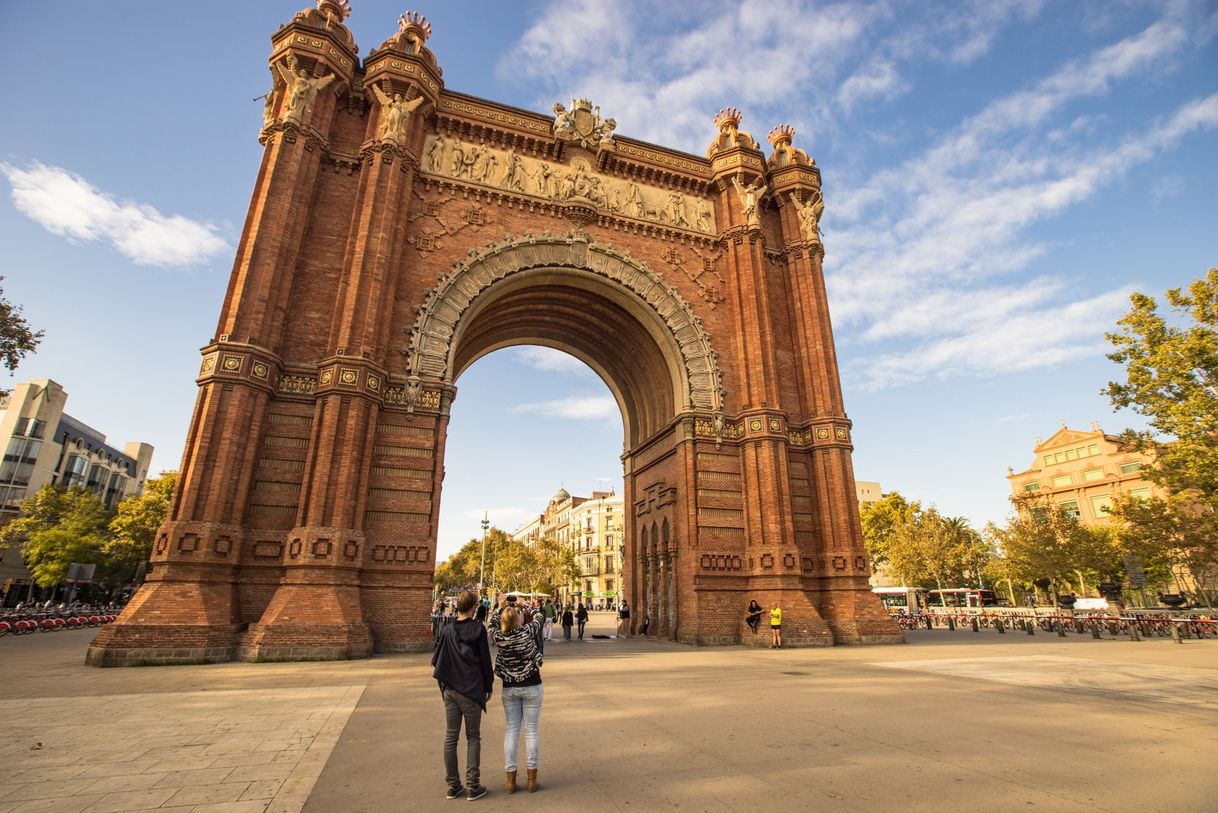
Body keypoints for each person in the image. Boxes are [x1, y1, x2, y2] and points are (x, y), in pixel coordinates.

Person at [431, 591, 493, 800]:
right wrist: (488, 685)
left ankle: (453, 785)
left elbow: (438, 659)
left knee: (451, 737)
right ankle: (473, 786)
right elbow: (485, 660)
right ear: (474, 606)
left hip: (450, 690)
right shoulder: (478, 629)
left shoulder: (448, 630)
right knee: (473, 736)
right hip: (471, 688)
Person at [489, 594, 545, 794]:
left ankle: (510, 780)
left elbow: (491, 624)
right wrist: (526, 605)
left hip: (509, 688)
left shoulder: (499, 637)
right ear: (518, 619)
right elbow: (540, 615)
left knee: (511, 731)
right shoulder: (527, 632)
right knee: (531, 731)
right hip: (531, 685)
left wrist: (499, 606)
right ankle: (532, 779)